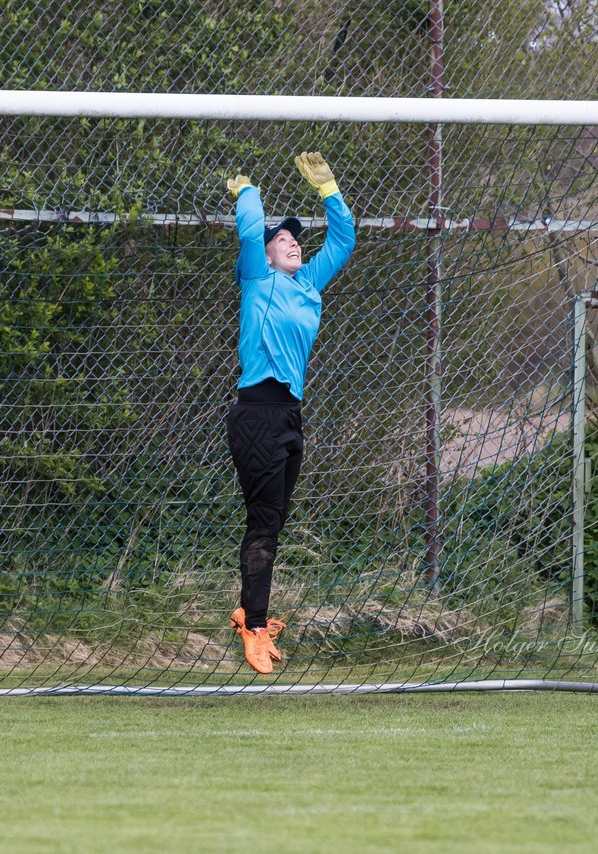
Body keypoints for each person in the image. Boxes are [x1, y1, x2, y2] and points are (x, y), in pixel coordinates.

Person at [222, 151, 355, 675]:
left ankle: (249, 612)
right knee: (261, 525)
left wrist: (328, 189)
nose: (293, 241)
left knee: (273, 522)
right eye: (283, 239)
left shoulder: (307, 284)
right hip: (255, 416)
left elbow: (343, 239)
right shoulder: (256, 277)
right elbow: (251, 227)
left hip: (289, 418)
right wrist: (248, 190)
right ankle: (254, 628)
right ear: (266, 252)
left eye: (295, 237)